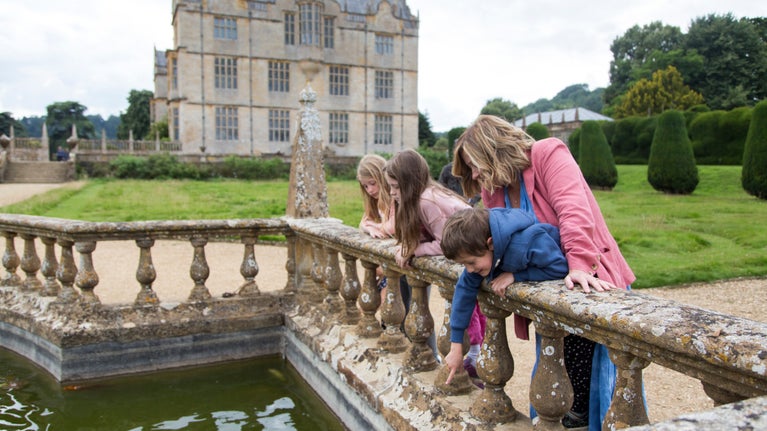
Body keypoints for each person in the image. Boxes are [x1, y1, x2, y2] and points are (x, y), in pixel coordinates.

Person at [452, 115, 635, 430]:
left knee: (593, 386)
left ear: (492, 149)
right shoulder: (493, 188)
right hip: (546, 285)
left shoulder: (548, 153)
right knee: (560, 383)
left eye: (474, 163)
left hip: (585, 275)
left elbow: (574, 209)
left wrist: (578, 263)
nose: (475, 173)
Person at [383, 149, 485, 380]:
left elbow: (444, 245)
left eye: (396, 187)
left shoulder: (427, 201)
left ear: (409, 183)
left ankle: (475, 358)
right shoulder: (422, 197)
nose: (392, 193)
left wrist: (414, 251)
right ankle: (475, 358)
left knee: (467, 305)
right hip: (471, 247)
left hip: (476, 248)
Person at [440, 207, 568, 386]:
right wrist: (456, 346)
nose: (469, 270)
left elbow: (560, 267)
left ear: (490, 244)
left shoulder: (526, 243)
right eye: (464, 264)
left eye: (470, 263)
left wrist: (515, 276)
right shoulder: (480, 251)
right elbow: (464, 291)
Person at [356, 154, 412, 315]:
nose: (370, 190)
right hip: (390, 263)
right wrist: (370, 227)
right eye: (365, 186)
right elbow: (363, 223)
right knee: (381, 311)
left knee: (405, 313)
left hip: (404, 260)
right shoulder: (375, 201)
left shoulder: (396, 197)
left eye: (372, 183)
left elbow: (394, 226)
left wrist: (376, 226)